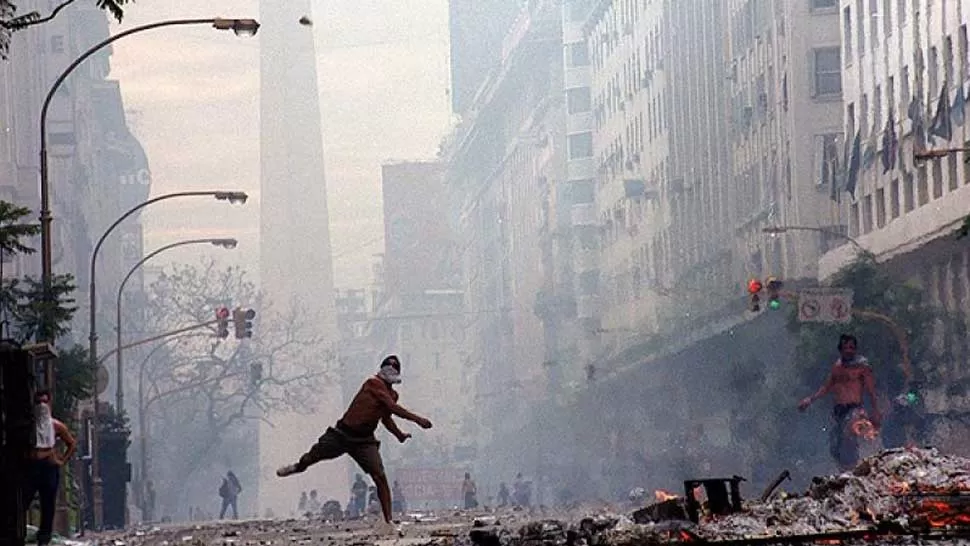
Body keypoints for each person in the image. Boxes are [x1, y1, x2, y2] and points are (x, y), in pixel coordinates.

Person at [276, 355, 433, 532]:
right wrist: (418, 420)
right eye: (387, 368)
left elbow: (386, 417)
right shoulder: (372, 383)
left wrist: (399, 435)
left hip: (364, 441)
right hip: (342, 433)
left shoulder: (393, 394)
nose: (389, 372)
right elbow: (391, 407)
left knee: (379, 476)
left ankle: (388, 520)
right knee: (314, 455)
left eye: (393, 369)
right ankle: (298, 466)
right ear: (382, 370)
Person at [798, 334, 882, 470]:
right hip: (839, 411)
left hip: (854, 409)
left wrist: (876, 410)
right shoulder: (837, 367)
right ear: (840, 349)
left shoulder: (862, 367)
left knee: (848, 436)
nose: (849, 350)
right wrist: (810, 400)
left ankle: (854, 469)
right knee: (836, 444)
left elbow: (871, 390)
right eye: (846, 347)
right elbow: (827, 387)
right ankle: (845, 472)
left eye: (852, 347)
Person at [23, 390, 76, 546]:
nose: (42, 406)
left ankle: (44, 539)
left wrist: (61, 461)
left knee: (48, 504)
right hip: (32, 467)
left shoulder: (56, 426)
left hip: (48, 467)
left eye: (45, 402)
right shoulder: (30, 426)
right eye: (39, 402)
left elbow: (71, 444)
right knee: (24, 500)